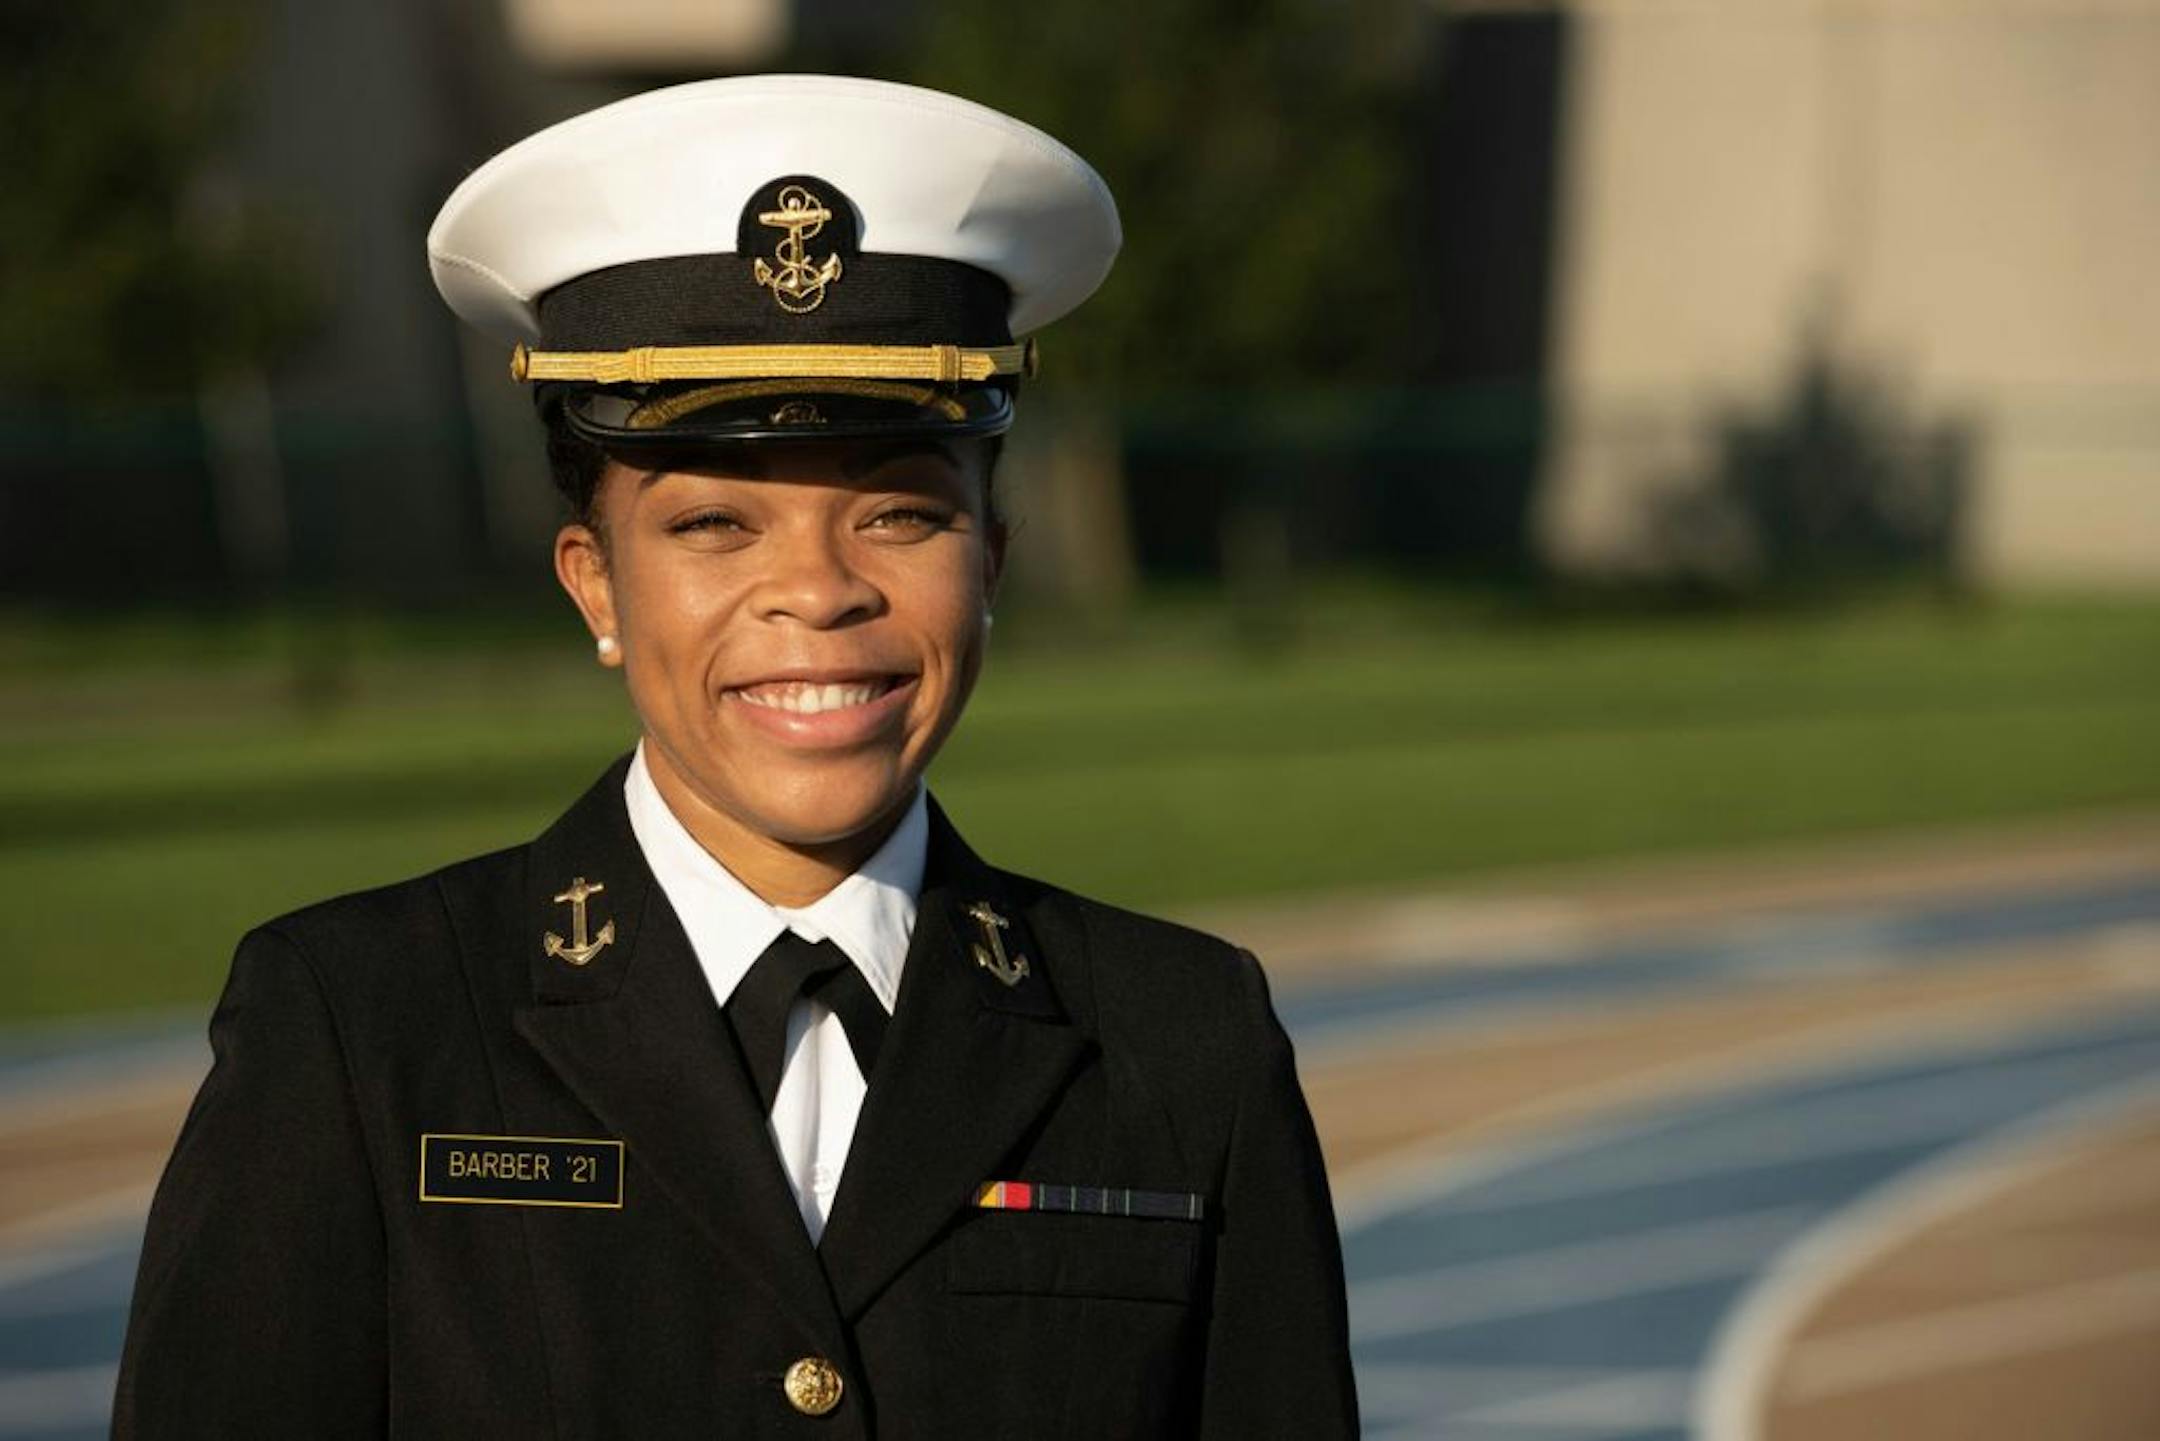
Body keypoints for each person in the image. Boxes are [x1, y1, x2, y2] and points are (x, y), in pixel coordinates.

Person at [113, 75, 1357, 1439]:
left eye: (898, 512)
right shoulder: (361, 1029)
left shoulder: (1182, 1044)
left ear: (991, 564)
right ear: (595, 584)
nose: (818, 592)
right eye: (715, 523)